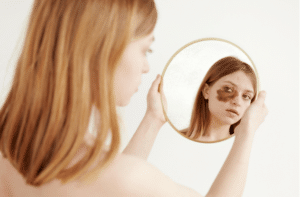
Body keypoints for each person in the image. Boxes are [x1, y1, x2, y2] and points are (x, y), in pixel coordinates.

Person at [0, 0, 268, 196]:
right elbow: (121, 182)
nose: (145, 67)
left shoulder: (11, 151)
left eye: (247, 96)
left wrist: (153, 118)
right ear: (104, 51)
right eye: (145, 50)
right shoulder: (127, 178)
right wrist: (246, 135)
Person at [180, 56, 258, 142]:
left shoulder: (244, 145)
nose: (238, 102)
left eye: (246, 96)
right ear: (206, 91)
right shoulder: (175, 138)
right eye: (228, 89)